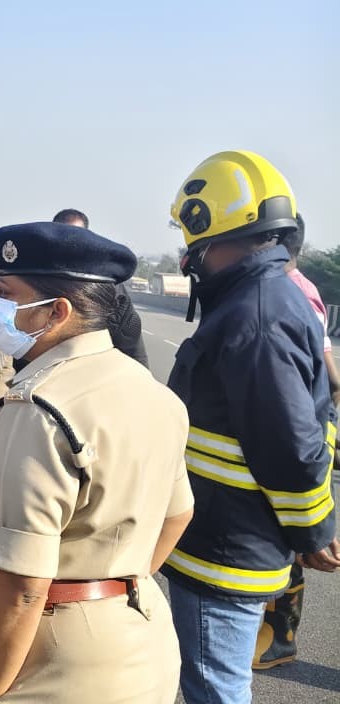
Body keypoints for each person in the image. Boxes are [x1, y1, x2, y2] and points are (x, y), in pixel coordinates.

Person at [0, 221, 193, 703]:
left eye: (5, 293)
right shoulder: (149, 389)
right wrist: (115, 579)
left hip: (49, 666)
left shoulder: (38, 408)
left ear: (55, 312)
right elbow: (177, 512)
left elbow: (20, 583)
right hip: (139, 643)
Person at [162, 151, 339, 704]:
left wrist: (315, 532)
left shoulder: (254, 314)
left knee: (214, 687)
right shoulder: (261, 299)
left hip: (225, 548)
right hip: (229, 537)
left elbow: (292, 446)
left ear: (206, 226)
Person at [253, 214, 340, 669]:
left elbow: (328, 375)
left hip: (301, 431)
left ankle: (280, 636)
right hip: (307, 428)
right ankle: (276, 634)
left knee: (291, 536)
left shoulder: (293, 295)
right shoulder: (291, 288)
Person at [46, 208, 148, 368]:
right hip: (44, 375)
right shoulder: (36, 281)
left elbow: (132, 344)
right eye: (63, 235)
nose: (69, 244)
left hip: (97, 375)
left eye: (77, 236)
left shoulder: (108, 285)